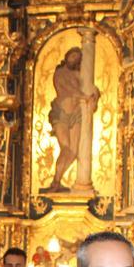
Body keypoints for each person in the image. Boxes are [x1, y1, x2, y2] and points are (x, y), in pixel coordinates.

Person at [47, 47, 98, 193]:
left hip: (76, 114)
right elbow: (67, 89)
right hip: (62, 113)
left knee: (74, 151)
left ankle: (57, 181)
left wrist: (94, 95)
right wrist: (84, 97)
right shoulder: (60, 72)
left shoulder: (78, 74)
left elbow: (90, 88)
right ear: (67, 56)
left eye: (77, 57)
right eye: (72, 55)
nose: (74, 58)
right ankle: (55, 182)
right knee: (66, 148)